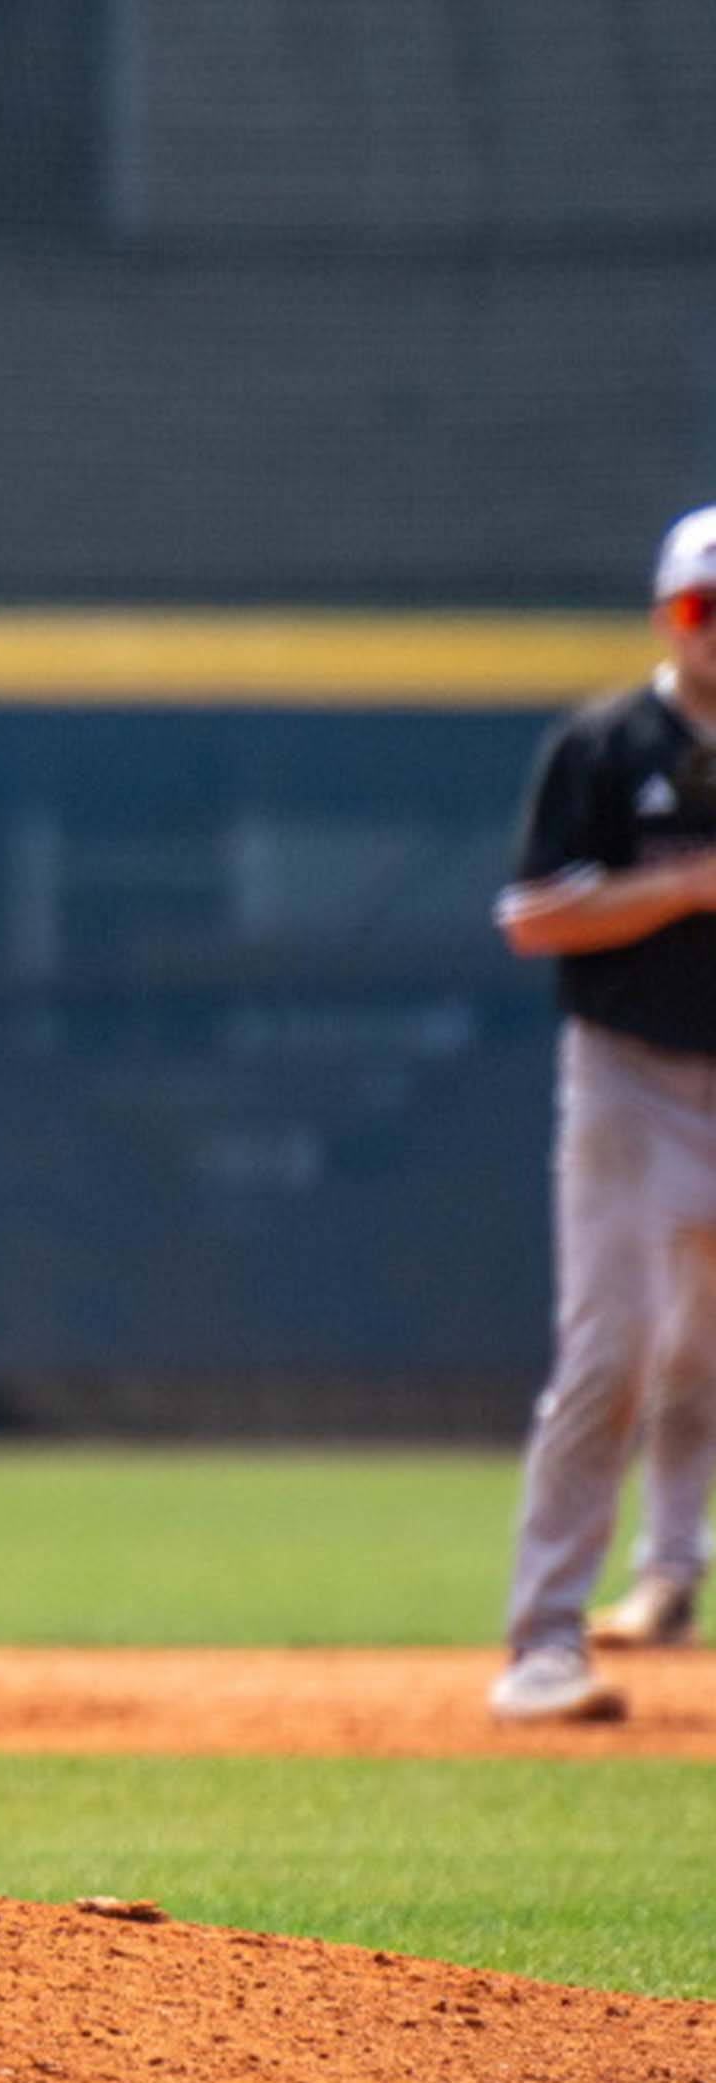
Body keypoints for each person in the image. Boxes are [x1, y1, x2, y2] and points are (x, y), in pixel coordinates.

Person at [486, 502, 716, 1723]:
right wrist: (685, 886)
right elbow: (532, 916)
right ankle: (542, 1645)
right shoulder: (602, 743)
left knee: (696, 1353)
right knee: (611, 1352)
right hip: (629, 1078)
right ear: (663, 617)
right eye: (700, 606)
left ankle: (670, 1577)